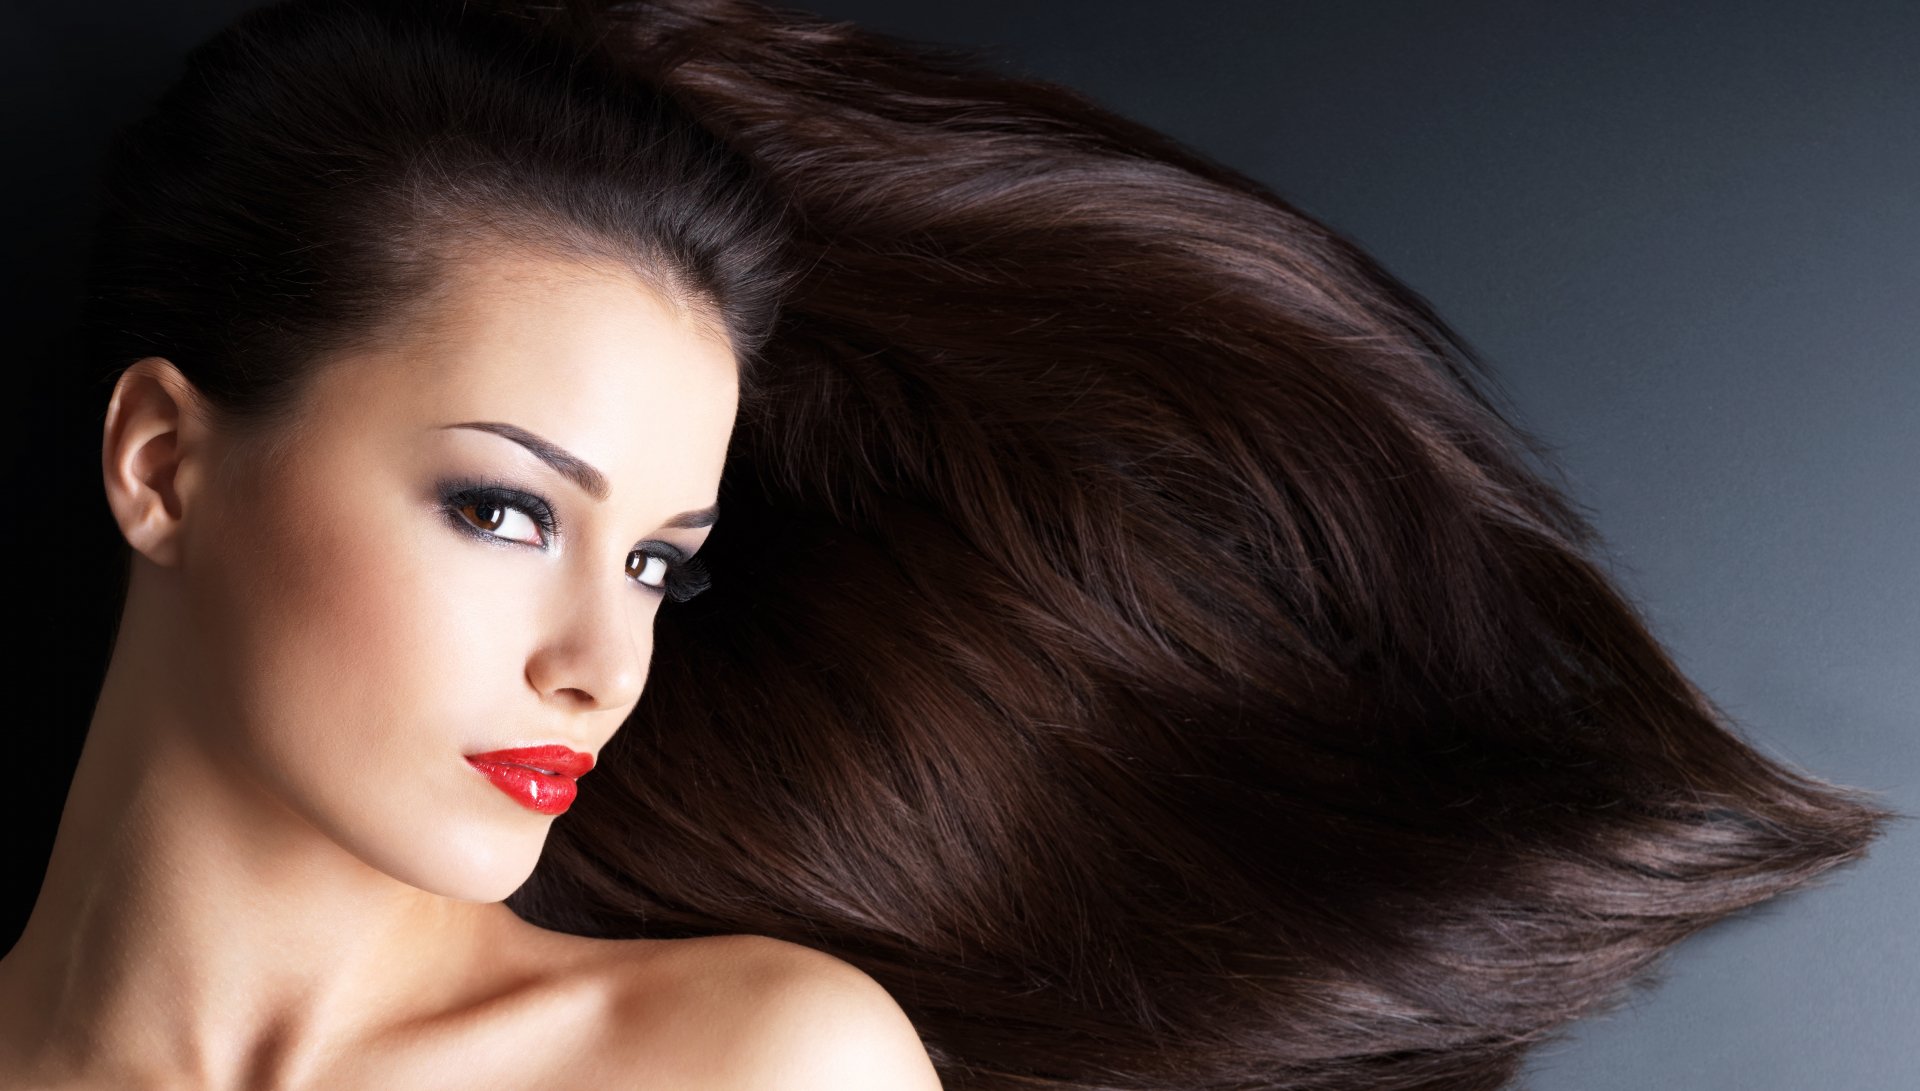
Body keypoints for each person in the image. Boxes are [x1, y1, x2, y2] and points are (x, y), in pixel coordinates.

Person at [0, 0, 1893, 1088]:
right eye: (507, 510)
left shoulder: (755, 1068)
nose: (603, 663)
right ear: (164, 465)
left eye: (659, 562)